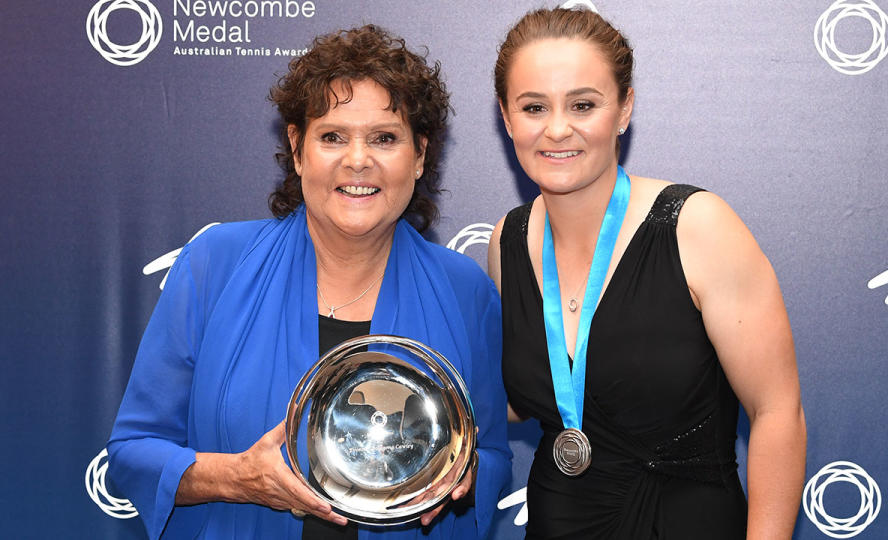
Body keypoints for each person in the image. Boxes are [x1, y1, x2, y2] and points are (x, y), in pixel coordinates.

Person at [107, 25, 511, 540]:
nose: (358, 159)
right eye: (333, 136)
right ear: (298, 149)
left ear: (420, 156)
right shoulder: (215, 264)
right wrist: (238, 479)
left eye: (385, 138)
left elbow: (493, 451)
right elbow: (133, 451)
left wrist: (462, 478)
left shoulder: (465, 290)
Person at [487, 7, 806, 539]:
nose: (557, 128)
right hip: (558, 520)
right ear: (506, 117)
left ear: (624, 108)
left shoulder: (696, 226)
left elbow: (777, 411)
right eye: (534, 107)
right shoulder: (508, 240)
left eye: (583, 104)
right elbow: (524, 396)